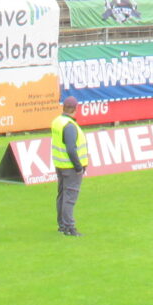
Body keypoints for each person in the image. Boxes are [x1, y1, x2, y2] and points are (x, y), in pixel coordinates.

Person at [51, 95, 89, 237]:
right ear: (75, 109)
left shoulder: (57, 122)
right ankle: (69, 227)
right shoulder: (69, 126)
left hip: (60, 164)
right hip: (70, 167)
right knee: (69, 197)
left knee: (62, 195)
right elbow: (71, 149)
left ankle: (62, 225)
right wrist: (79, 167)